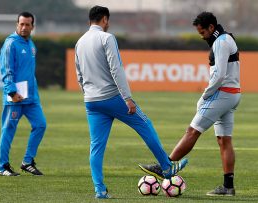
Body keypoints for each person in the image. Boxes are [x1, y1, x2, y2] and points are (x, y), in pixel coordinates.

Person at [75, 5, 188, 199]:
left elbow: (79, 74)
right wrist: (127, 98)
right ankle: (167, 167)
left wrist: (88, 93)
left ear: (89, 21)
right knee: (145, 124)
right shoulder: (107, 38)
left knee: (96, 146)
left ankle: (100, 190)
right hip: (112, 97)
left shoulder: (80, 42)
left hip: (91, 101)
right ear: (104, 20)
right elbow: (116, 69)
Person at [139, 11, 241, 196]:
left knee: (192, 131)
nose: (201, 36)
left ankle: (165, 166)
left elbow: (219, 76)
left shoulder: (221, 42)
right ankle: (228, 187)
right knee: (224, 140)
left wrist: (204, 96)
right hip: (232, 95)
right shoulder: (225, 39)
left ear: (211, 27)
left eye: (202, 32)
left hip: (222, 94)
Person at [0, 12, 46, 176]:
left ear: (32, 26)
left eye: (27, 25)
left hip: (31, 98)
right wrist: (12, 91)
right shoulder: (11, 44)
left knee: (40, 125)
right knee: (9, 129)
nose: (24, 27)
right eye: (21, 24)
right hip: (15, 97)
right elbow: (6, 70)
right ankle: (2, 166)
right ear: (17, 25)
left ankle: (27, 161)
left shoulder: (31, 44)